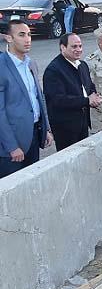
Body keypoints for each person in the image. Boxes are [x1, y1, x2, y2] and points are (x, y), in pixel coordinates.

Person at [0, 21, 52, 177]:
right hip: (11, 146)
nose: (27, 39)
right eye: (21, 35)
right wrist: (11, 146)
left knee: (32, 185)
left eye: (29, 34)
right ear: (8, 38)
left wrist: (46, 128)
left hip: (33, 137)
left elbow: (38, 98)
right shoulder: (2, 66)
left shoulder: (31, 63)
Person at [43, 34, 102, 151]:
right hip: (65, 128)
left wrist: (94, 96)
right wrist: (87, 101)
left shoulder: (83, 65)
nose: (79, 50)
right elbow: (58, 100)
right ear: (63, 47)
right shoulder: (54, 70)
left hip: (82, 124)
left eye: (80, 46)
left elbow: (89, 87)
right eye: (74, 46)